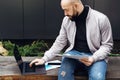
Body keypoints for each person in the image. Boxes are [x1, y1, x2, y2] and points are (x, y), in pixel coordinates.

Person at [30, 0, 113, 80]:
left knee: (97, 77)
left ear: (76, 6)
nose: (65, 14)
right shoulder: (66, 20)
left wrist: (93, 58)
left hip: (95, 55)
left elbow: (107, 45)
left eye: (67, 10)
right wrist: (44, 59)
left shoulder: (101, 19)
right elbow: (60, 42)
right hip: (73, 54)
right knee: (63, 74)